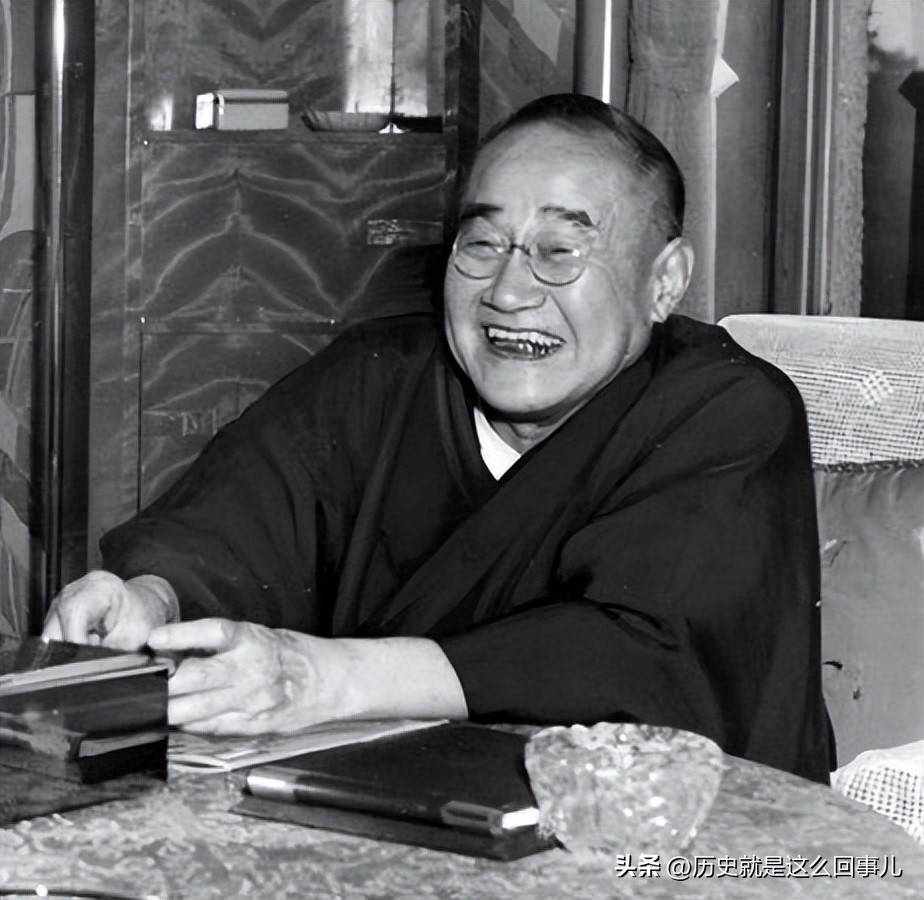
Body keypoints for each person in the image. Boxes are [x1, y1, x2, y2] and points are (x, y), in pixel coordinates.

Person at [43, 94, 833, 783]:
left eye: (559, 252)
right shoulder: (379, 377)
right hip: (387, 814)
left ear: (665, 281)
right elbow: (234, 522)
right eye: (481, 245)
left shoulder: (726, 410)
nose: (509, 292)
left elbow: (643, 658)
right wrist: (151, 600)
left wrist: (330, 677)